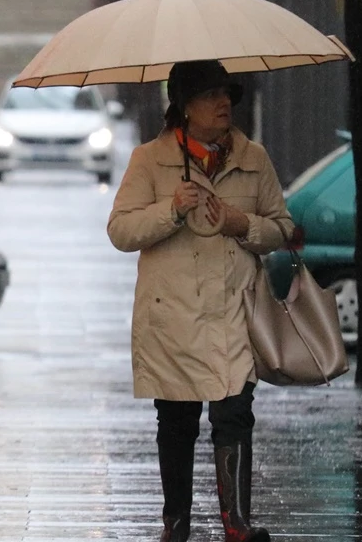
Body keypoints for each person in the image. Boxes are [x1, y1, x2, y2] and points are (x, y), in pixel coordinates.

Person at [107, 60, 292, 542]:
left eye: (227, 93)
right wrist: (171, 209)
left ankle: (237, 524)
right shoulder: (150, 160)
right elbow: (121, 231)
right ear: (184, 107)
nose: (223, 103)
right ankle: (177, 523)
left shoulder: (253, 158)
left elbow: (283, 228)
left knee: (234, 413)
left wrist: (242, 224)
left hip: (234, 310)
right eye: (210, 95)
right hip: (174, 317)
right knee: (177, 421)